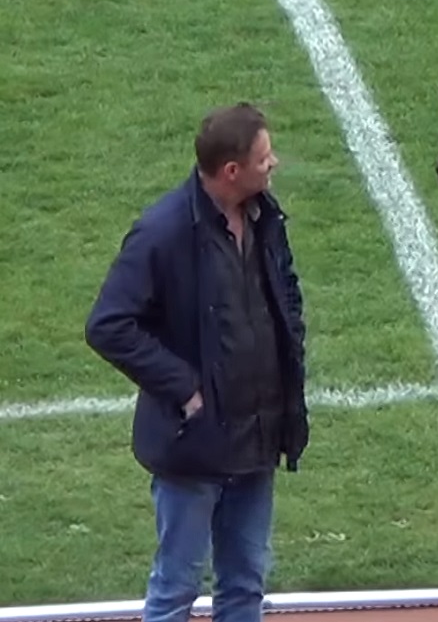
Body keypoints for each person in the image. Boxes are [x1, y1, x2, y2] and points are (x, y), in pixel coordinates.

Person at [85, 102, 309, 622]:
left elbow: (285, 287)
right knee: (175, 590)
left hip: (257, 434)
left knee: (245, 584)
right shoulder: (162, 233)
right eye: (265, 157)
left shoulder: (263, 217)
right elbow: (108, 324)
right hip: (196, 440)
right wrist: (184, 387)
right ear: (233, 171)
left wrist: (290, 337)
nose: (273, 163)